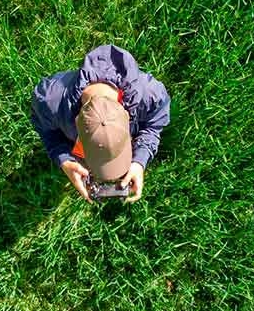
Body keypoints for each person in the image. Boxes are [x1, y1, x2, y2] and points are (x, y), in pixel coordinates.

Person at [30, 44, 171, 203]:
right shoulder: (49, 103)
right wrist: (65, 160)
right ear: (76, 122)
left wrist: (139, 160)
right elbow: (47, 132)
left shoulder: (151, 97)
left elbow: (154, 126)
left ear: (127, 115)